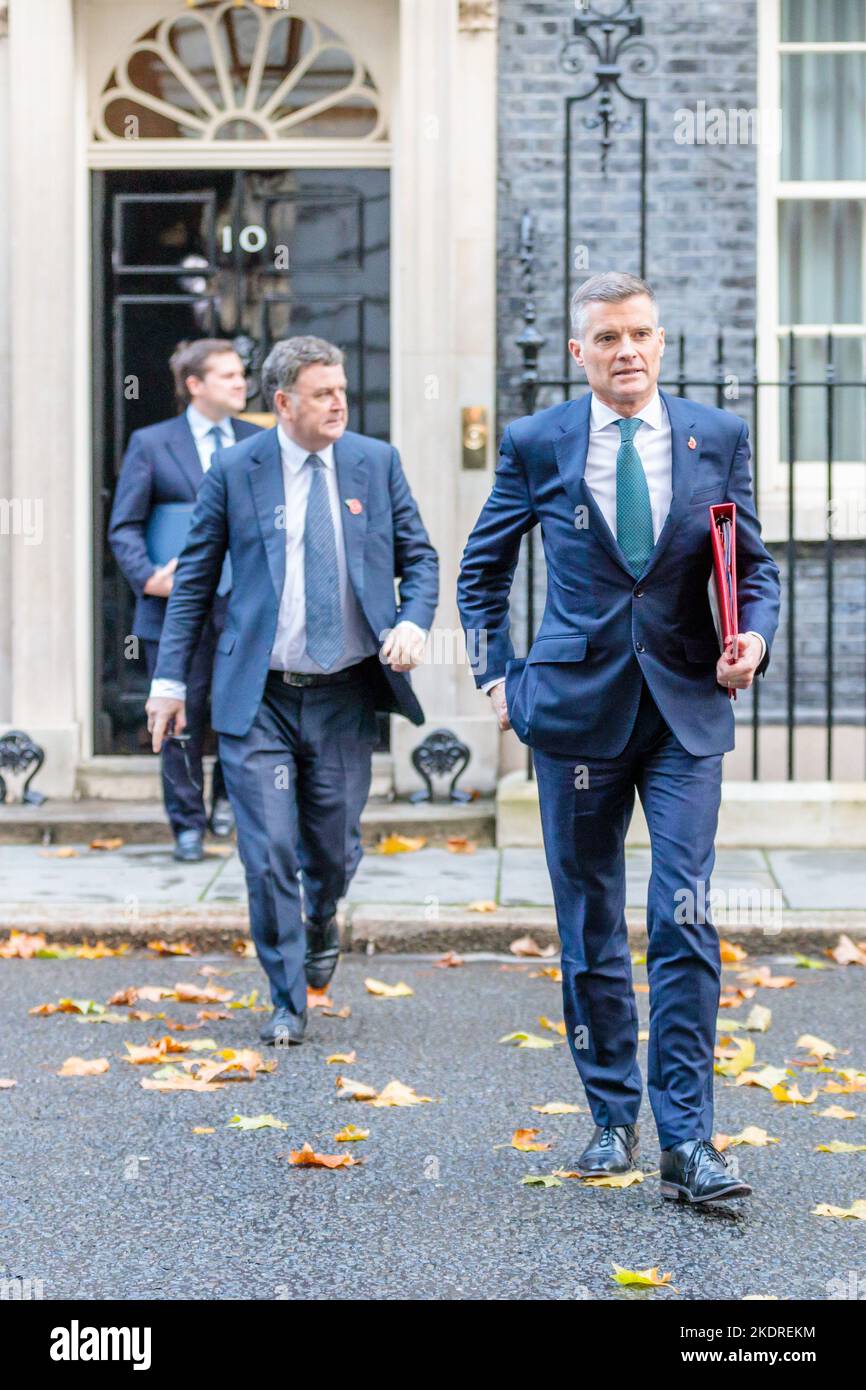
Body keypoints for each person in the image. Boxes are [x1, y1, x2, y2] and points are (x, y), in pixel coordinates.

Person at [457, 272, 780, 1206]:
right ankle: (610, 1119)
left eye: (639, 334)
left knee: (685, 912)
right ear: (579, 353)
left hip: (685, 709)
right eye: (607, 338)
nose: (626, 351)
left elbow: (752, 568)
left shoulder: (715, 438)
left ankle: (688, 1138)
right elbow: (484, 571)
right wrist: (497, 676)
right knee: (590, 920)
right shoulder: (535, 443)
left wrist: (751, 637)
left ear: (662, 342)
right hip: (575, 715)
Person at [146, 336, 439, 1046]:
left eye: (342, 390)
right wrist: (168, 680)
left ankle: (321, 917)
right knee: (268, 849)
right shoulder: (235, 469)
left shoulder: (376, 461)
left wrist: (412, 620)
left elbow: (421, 558)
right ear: (282, 403)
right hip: (261, 696)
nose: (339, 402)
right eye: (322, 393)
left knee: (332, 849)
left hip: (342, 692)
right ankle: (286, 995)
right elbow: (192, 585)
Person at [109, 339, 261, 861]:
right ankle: (187, 824)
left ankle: (228, 806)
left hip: (242, 606)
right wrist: (149, 578)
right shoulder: (152, 444)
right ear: (194, 385)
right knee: (178, 714)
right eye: (228, 376)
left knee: (237, 710)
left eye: (242, 374)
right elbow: (124, 525)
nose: (241, 383)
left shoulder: (256, 440)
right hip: (172, 606)